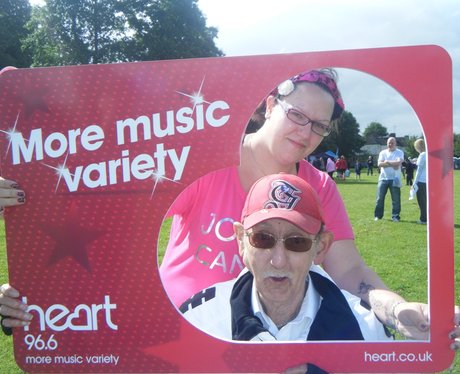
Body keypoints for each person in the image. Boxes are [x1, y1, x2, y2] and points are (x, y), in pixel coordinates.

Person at [0, 69, 435, 341]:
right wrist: (32, 177)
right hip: (182, 331)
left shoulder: (319, 186)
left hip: (268, 339)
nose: (306, 134)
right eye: (297, 115)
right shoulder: (204, 160)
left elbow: (350, 271)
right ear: (269, 106)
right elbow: (106, 216)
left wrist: (397, 310)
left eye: (320, 126)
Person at [181, 173, 392, 343]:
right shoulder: (197, 322)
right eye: (262, 239)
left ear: (320, 247)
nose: (279, 260)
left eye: (297, 242)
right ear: (240, 240)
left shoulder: (367, 330)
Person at [374, 137, 404, 222]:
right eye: (389, 143)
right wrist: (393, 163)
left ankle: (395, 216)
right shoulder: (382, 152)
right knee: (379, 198)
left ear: (395, 144)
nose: (390, 144)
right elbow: (379, 164)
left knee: (396, 199)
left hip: (395, 179)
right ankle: (378, 216)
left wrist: (387, 162)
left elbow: (398, 163)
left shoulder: (399, 152)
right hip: (383, 178)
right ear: (387, 143)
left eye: (392, 143)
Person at [411, 139, 427, 224]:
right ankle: (427, 217)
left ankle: (423, 219)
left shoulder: (422, 155)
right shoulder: (428, 154)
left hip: (421, 181)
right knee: (426, 201)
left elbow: (419, 170)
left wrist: (414, 182)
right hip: (428, 181)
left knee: (422, 201)